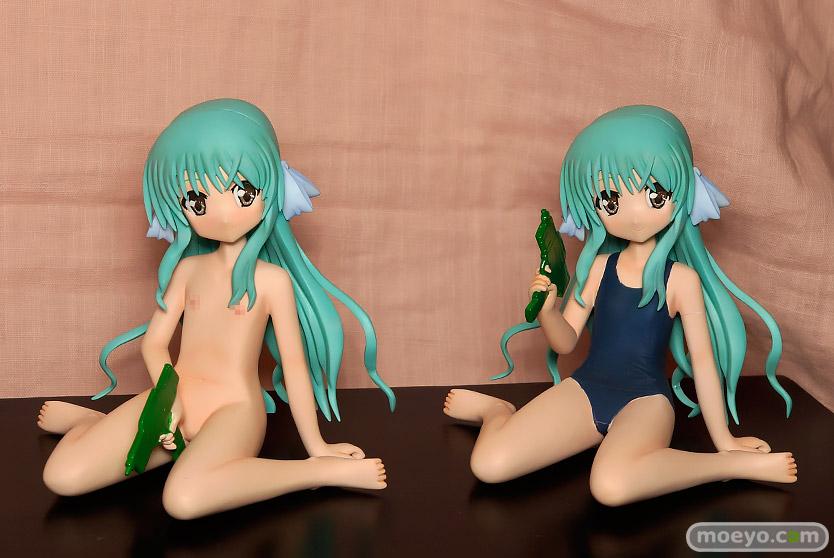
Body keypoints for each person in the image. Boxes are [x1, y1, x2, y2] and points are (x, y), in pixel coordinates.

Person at [38, 99, 393, 520]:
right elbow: (154, 344)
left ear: (272, 186)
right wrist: (168, 403)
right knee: (62, 476)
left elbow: (295, 366)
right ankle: (91, 425)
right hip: (176, 397)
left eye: (243, 192)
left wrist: (317, 447)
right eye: (197, 199)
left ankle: (316, 473)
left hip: (235, 410)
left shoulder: (272, 281)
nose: (223, 214)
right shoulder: (188, 270)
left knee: (184, 499)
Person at [444, 105, 796, 506]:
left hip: (645, 401)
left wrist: (725, 442)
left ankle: (727, 467)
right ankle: (497, 412)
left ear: (683, 189)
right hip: (586, 388)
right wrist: (547, 312)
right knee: (488, 464)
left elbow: (702, 361)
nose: (634, 214)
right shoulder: (598, 268)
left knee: (611, 486)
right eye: (610, 200)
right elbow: (565, 343)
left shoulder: (681, 280)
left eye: (653, 194)